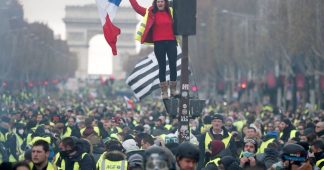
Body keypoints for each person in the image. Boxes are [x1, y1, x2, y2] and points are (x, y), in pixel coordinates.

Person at [129, 0, 178, 99]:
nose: (160, 3)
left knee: (173, 65)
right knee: (162, 67)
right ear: (155, 3)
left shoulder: (172, 11)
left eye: (162, 1)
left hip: (171, 42)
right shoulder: (150, 12)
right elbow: (137, 8)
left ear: (165, 3)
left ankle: (173, 90)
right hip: (159, 43)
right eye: (158, 1)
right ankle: (164, 91)